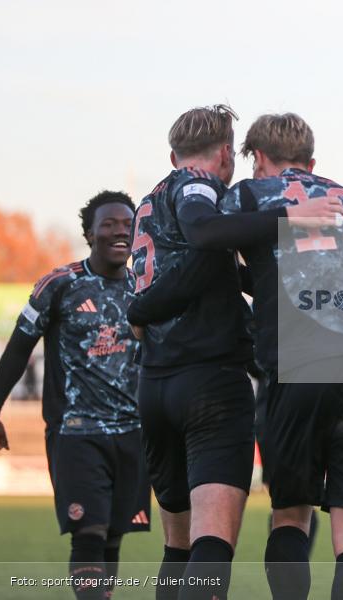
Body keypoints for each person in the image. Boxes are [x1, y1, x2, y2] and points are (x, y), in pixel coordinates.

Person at [138, 112, 343, 600]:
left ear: (256, 158)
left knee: (291, 513)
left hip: (300, 366)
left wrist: (145, 306)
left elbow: (208, 252)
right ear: (312, 161)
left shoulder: (250, 195)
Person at [127, 104, 287, 600]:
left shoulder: (149, 200)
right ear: (224, 154)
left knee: (177, 550)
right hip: (209, 385)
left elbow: (200, 267)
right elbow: (202, 229)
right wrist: (287, 218)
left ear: (172, 152)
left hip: (154, 386)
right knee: (211, 546)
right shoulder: (198, 184)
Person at [0, 191, 148, 600]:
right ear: (89, 233)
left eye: (127, 224)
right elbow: (16, 351)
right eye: (109, 224)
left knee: (114, 536)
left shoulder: (147, 287)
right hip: (76, 432)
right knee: (88, 532)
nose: (120, 231)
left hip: (134, 433)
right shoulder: (59, 285)